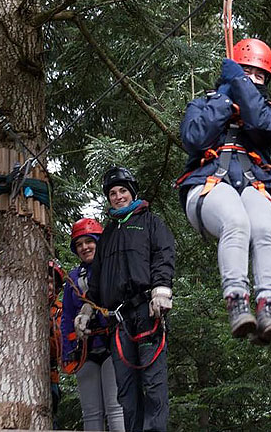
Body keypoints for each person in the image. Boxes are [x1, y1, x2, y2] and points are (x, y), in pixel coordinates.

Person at [177, 38, 271, 345]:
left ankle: (268, 306)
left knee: (265, 229)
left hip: (252, 183)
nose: (253, 81)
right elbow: (195, 139)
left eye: (259, 77)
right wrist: (223, 99)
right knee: (237, 222)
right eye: (247, 73)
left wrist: (239, 84)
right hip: (208, 186)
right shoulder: (204, 104)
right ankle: (237, 301)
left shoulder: (265, 113)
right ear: (233, 72)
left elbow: (263, 127)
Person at [75, 167, 175, 432]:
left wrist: (162, 289)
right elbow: (96, 281)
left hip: (147, 311)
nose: (117, 196)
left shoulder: (151, 222)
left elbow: (164, 255)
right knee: (126, 391)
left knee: (153, 385)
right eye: (112, 193)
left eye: (122, 191)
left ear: (131, 193)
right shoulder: (107, 235)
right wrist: (86, 310)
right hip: (118, 323)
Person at [61, 218, 124, 431]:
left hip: (111, 346)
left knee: (115, 409)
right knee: (91, 413)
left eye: (89, 242)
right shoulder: (73, 278)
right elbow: (67, 316)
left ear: (98, 242)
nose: (84, 247)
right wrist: (68, 352)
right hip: (85, 350)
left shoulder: (112, 270)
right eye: (79, 244)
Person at [48, 260, 65, 429]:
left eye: (51, 283)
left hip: (50, 375)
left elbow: (60, 346)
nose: (48, 286)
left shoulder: (60, 311)